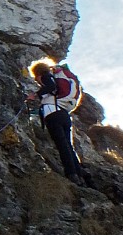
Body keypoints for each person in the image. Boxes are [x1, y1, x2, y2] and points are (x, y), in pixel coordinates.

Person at [27, 59, 87, 187]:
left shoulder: (46, 76)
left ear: (37, 73)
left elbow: (51, 87)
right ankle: (80, 176)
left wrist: (35, 95)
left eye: (36, 78)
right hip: (64, 114)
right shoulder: (55, 80)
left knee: (62, 145)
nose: (37, 81)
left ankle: (72, 174)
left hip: (53, 115)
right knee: (68, 146)